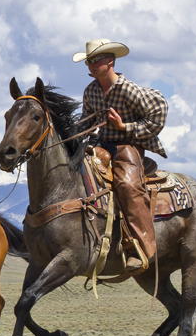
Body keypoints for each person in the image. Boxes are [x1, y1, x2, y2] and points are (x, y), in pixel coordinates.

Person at [71, 39, 168, 273]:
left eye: (95, 60)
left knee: (127, 185)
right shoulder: (91, 91)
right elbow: (88, 120)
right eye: (88, 61)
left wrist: (125, 127)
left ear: (110, 61)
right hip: (102, 144)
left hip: (128, 144)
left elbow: (159, 112)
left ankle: (142, 248)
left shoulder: (128, 90)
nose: (91, 65)